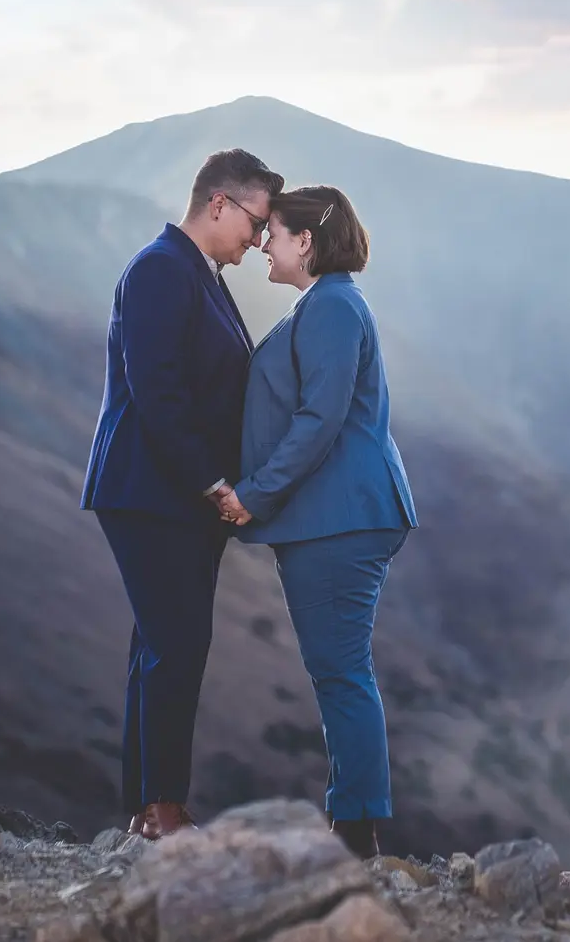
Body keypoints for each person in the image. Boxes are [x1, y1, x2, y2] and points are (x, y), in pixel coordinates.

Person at [80, 149, 284, 840]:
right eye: (256, 223)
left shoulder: (198, 274)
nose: (258, 241)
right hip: (151, 490)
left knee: (160, 645)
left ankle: (147, 807)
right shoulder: (161, 268)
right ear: (219, 203)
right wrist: (215, 483)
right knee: (177, 643)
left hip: (171, 495)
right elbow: (156, 389)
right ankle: (163, 811)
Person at [218, 185, 417, 859]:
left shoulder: (331, 308)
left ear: (306, 240)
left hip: (340, 518)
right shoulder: (329, 304)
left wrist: (255, 494)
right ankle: (353, 823)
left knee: (340, 672)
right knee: (338, 668)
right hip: (339, 514)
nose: (264, 244)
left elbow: (319, 420)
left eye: (273, 232)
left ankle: (356, 833)